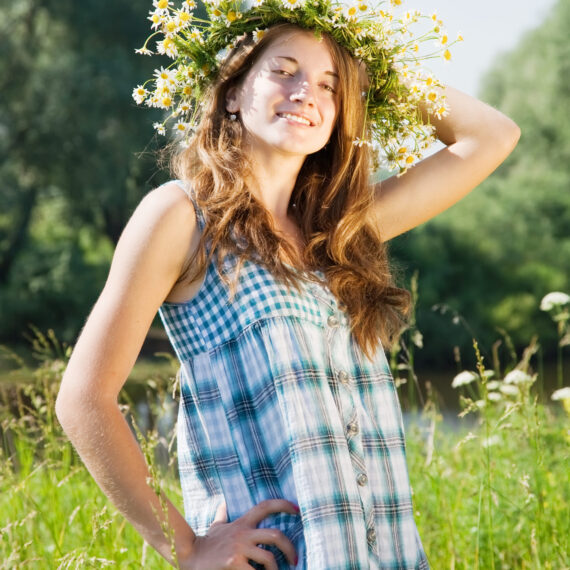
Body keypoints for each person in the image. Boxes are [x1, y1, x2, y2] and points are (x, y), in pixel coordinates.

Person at [56, 1, 520, 568]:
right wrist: (187, 548)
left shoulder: (346, 230)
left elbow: (491, 136)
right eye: (283, 71)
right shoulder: (181, 217)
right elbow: (83, 398)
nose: (306, 92)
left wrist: (372, 59)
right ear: (233, 91)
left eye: (329, 86)